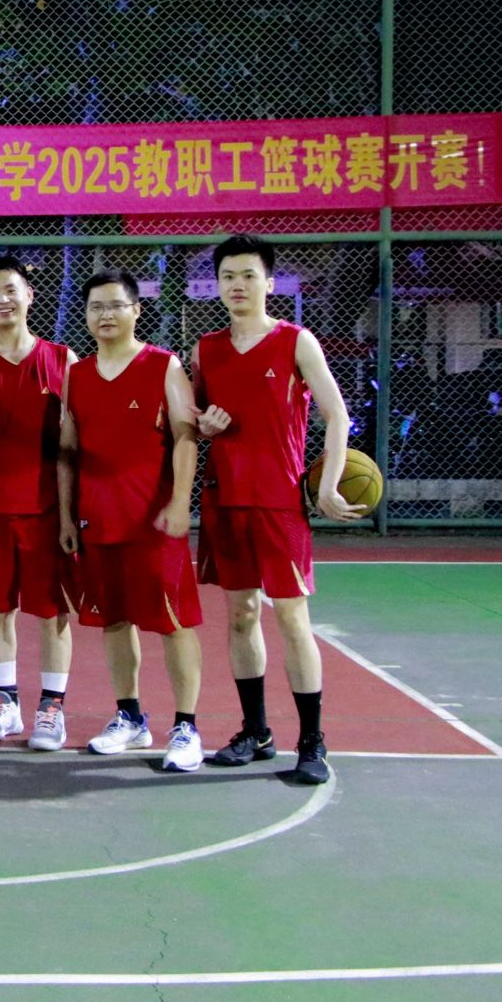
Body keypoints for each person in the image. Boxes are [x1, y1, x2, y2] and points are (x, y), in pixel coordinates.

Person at [193, 233, 367, 784]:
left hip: (279, 502)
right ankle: (256, 732)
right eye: (228, 277)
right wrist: (203, 427)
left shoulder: (296, 341)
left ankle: (312, 741)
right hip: (225, 500)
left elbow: (337, 416)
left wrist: (328, 484)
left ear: (269, 283)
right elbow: (192, 422)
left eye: (248, 276)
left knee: (292, 618)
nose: (237, 285)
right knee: (242, 615)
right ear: (217, 285)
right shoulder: (206, 349)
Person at [58, 270, 205, 773]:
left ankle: (186, 726)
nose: (105, 315)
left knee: (173, 622)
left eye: (115, 305)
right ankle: (130, 717)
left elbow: (186, 437)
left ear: (136, 310)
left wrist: (181, 502)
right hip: (98, 521)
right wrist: (67, 515)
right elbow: (68, 451)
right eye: (95, 306)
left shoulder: (163, 365)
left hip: (153, 523)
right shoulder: (76, 376)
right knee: (114, 621)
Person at [0, 256, 80, 750]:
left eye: (11, 289)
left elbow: (74, 436)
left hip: (46, 507)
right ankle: (5, 703)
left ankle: (52, 709)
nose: (3, 299)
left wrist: (70, 513)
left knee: (53, 613)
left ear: (29, 295)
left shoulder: (62, 361)